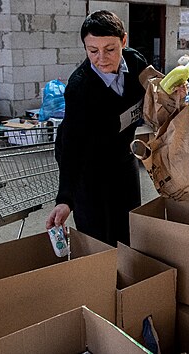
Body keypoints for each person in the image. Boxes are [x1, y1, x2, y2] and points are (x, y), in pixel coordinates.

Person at [45, 10, 148, 247]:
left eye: (110, 49)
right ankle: (100, 279)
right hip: (87, 165)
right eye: (93, 51)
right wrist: (65, 199)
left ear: (124, 40)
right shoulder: (80, 88)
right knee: (98, 235)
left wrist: (174, 94)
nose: (101, 58)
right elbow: (72, 147)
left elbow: (155, 92)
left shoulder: (134, 62)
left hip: (122, 155)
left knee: (130, 225)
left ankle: (131, 280)